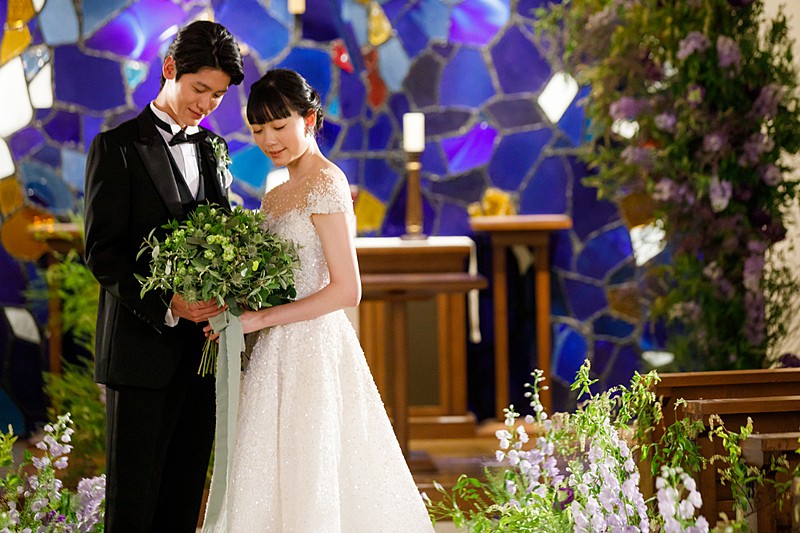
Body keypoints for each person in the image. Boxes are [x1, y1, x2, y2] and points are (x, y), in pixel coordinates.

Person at [202, 68, 435, 532]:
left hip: (313, 350)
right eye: (258, 129)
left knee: (313, 471)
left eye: (278, 125)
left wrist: (261, 318)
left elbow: (348, 289)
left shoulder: (328, 183)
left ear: (308, 119)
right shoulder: (275, 195)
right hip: (271, 352)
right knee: (266, 476)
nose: (269, 140)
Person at [83, 20, 244, 532]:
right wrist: (169, 303)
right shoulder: (115, 147)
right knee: (132, 509)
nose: (207, 104)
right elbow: (102, 253)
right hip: (139, 354)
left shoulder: (215, 149)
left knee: (183, 501)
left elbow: (222, 239)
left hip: (202, 358)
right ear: (170, 68)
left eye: (218, 96)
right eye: (200, 89)